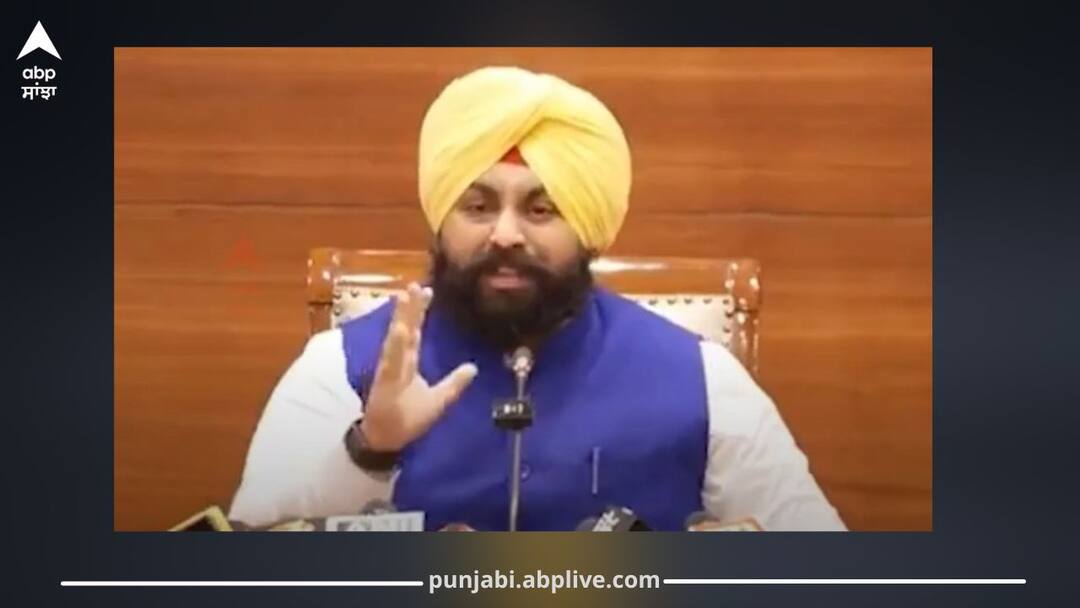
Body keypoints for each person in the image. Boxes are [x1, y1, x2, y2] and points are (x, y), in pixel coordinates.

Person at [228, 66, 846, 531]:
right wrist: (371, 447)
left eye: (542, 209)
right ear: (440, 220)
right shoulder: (340, 368)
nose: (505, 234)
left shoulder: (703, 378)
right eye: (477, 206)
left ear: (589, 230)